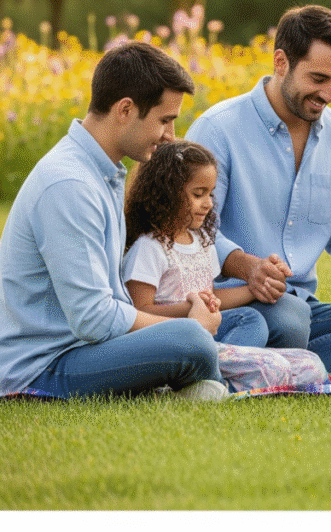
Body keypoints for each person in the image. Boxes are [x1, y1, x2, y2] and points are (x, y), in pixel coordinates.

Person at [185, 5, 331, 373]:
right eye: (318, 78)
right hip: (230, 303)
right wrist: (249, 268)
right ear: (281, 62)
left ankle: (278, 366)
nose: (329, 93)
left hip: (300, 304)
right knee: (288, 320)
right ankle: (283, 363)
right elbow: (193, 229)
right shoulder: (218, 129)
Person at [0, 42, 226, 400]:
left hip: (83, 348)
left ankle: (195, 381)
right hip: (44, 365)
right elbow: (94, 319)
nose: (170, 135)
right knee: (192, 339)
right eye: (164, 120)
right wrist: (187, 324)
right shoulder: (70, 184)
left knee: (216, 329)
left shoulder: (101, 172)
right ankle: (195, 382)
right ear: (125, 109)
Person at [123, 140, 329, 391]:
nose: (208, 203)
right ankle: (209, 381)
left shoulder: (202, 243)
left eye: (210, 193)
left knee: (310, 364)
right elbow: (139, 310)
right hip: (173, 340)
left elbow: (212, 297)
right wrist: (191, 310)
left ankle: (214, 381)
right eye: (198, 194)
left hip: (212, 337)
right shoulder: (149, 247)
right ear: (165, 193)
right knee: (273, 369)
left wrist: (257, 288)